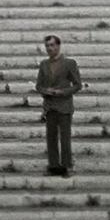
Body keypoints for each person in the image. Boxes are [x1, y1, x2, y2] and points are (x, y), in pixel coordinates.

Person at [35, 34, 83, 177]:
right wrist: (46, 91)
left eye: (52, 45)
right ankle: (54, 166)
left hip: (64, 106)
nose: (49, 48)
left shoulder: (69, 63)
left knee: (65, 138)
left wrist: (63, 92)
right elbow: (38, 86)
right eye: (47, 46)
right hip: (50, 107)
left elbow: (77, 85)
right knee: (51, 138)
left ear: (58, 46)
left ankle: (67, 166)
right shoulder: (44, 64)